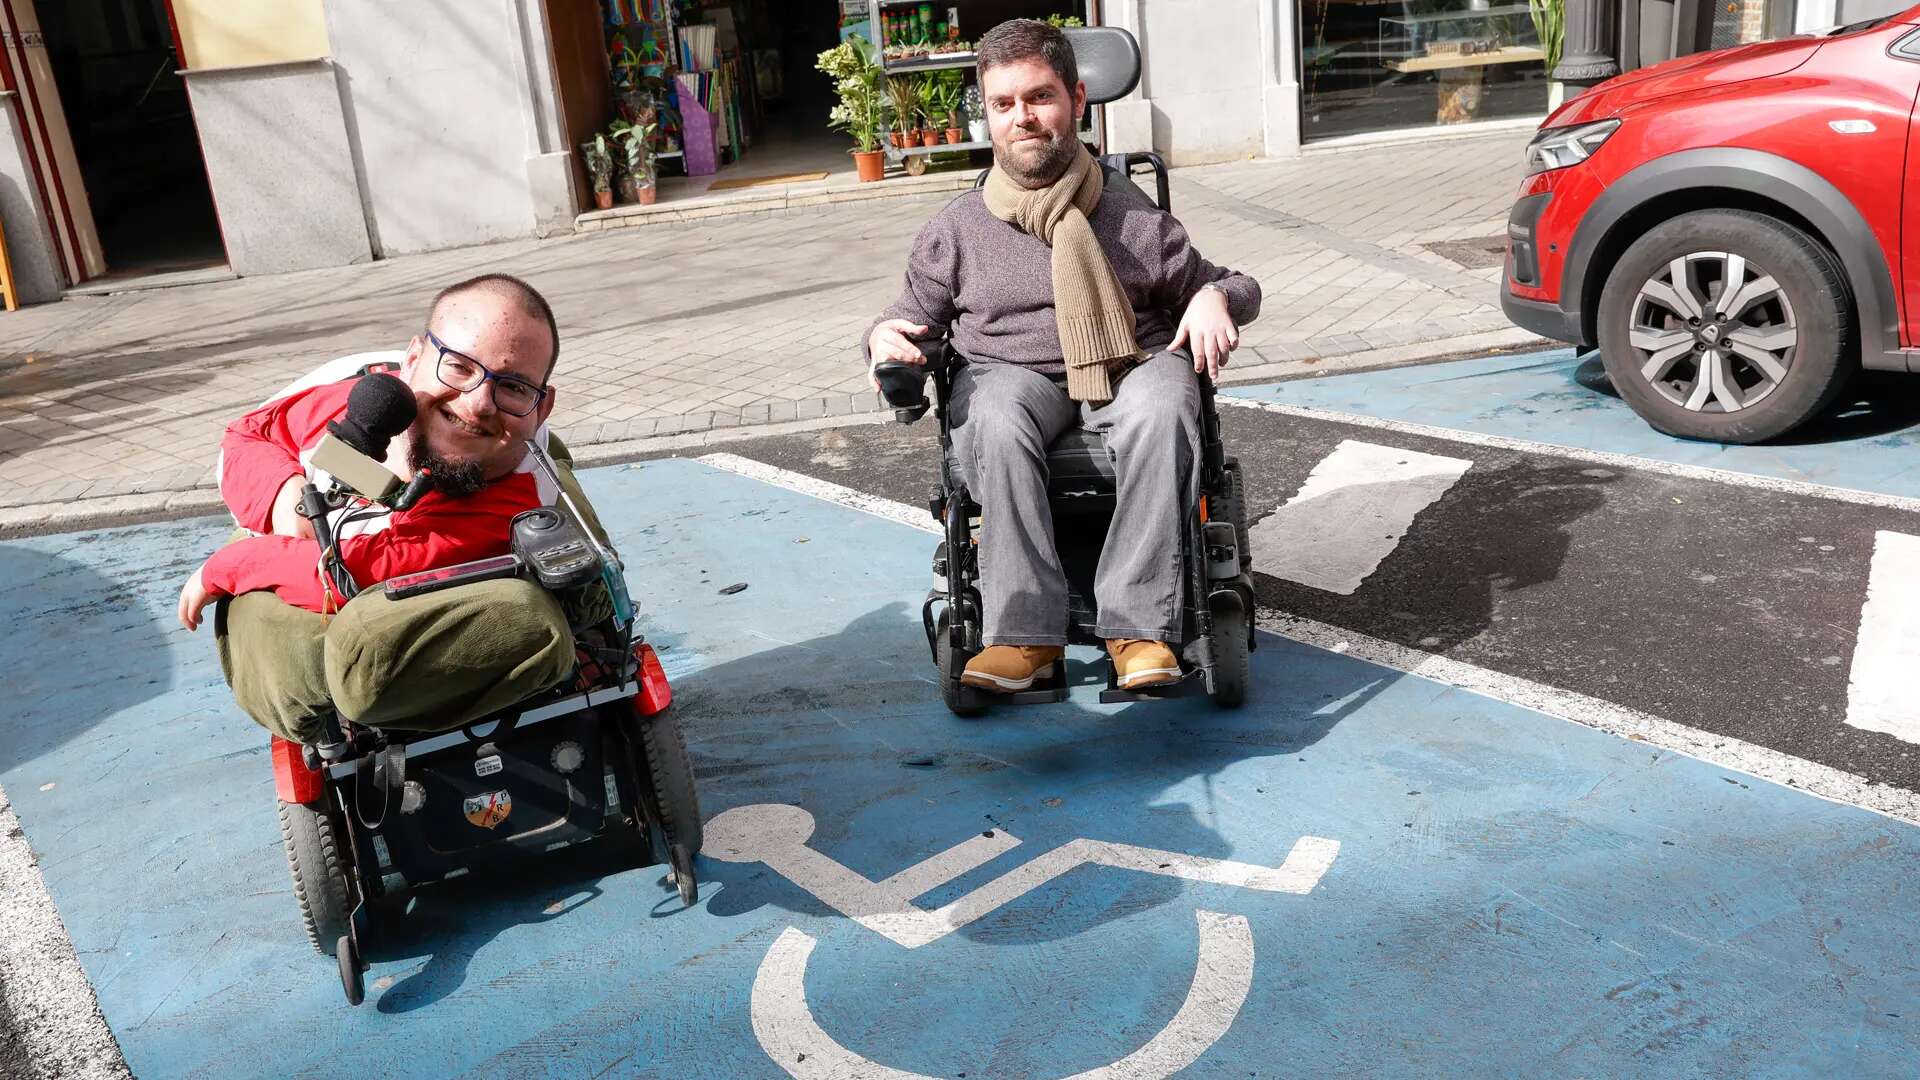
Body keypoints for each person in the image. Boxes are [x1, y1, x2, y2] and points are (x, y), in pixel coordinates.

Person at [864, 19, 1261, 694]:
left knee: (1167, 401)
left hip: (1130, 363)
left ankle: (1138, 629)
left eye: (1039, 97)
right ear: (988, 115)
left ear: (1076, 99)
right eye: (1004, 104)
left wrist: (1215, 298)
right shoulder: (957, 230)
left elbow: (1235, 285)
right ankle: (1025, 635)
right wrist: (884, 340)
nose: (1023, 117)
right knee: (991, 415)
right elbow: (910, 317)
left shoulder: (1134, 219)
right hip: (1010, 375)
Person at [178, 273, 594, 744]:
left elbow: (363, 570)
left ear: (544, 405)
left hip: (390, 579)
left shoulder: (516, 499)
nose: (478, 404)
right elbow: (250, 434)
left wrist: (231, 565)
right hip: (337, 517)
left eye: (515, 387)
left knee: (352, 649)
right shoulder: (375, 401)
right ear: (413, 359)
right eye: (458, 366)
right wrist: (281, 498)